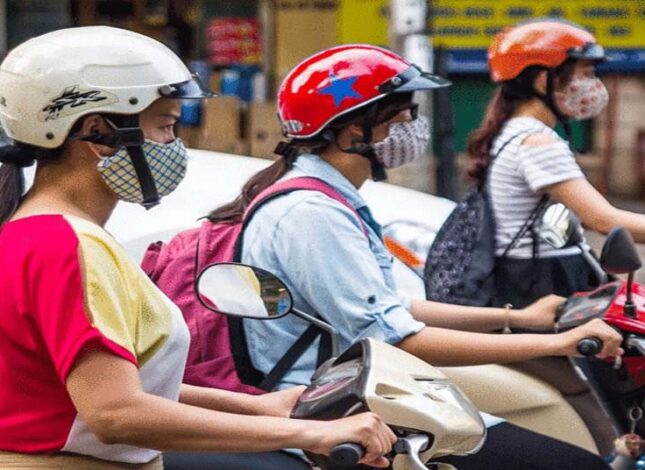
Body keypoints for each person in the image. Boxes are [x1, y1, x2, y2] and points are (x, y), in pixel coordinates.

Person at [207, 44, 623, 470]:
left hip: (362, 391)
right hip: (333, 410)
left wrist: (518, 318)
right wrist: (558, 342)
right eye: (402, 116)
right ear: (353, 132)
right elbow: (395, 337)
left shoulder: (329, 199)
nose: (414, 128)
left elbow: (388, 307)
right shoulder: (312, 213)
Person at [0, 27, 395, 470]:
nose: (175, 145)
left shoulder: (33, 232)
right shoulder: (65, 244)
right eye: (166, 126)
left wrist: (256, 407)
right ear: (97, 133)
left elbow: (119, 383)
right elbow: (115, 412)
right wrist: (310, 433)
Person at [467, 19, 645, 389]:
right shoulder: (536, 143)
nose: (593, 85)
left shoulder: (514, 133)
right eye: (585, 73)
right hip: (544, 284)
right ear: (543, 80)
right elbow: (604, 219)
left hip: (536, 277)